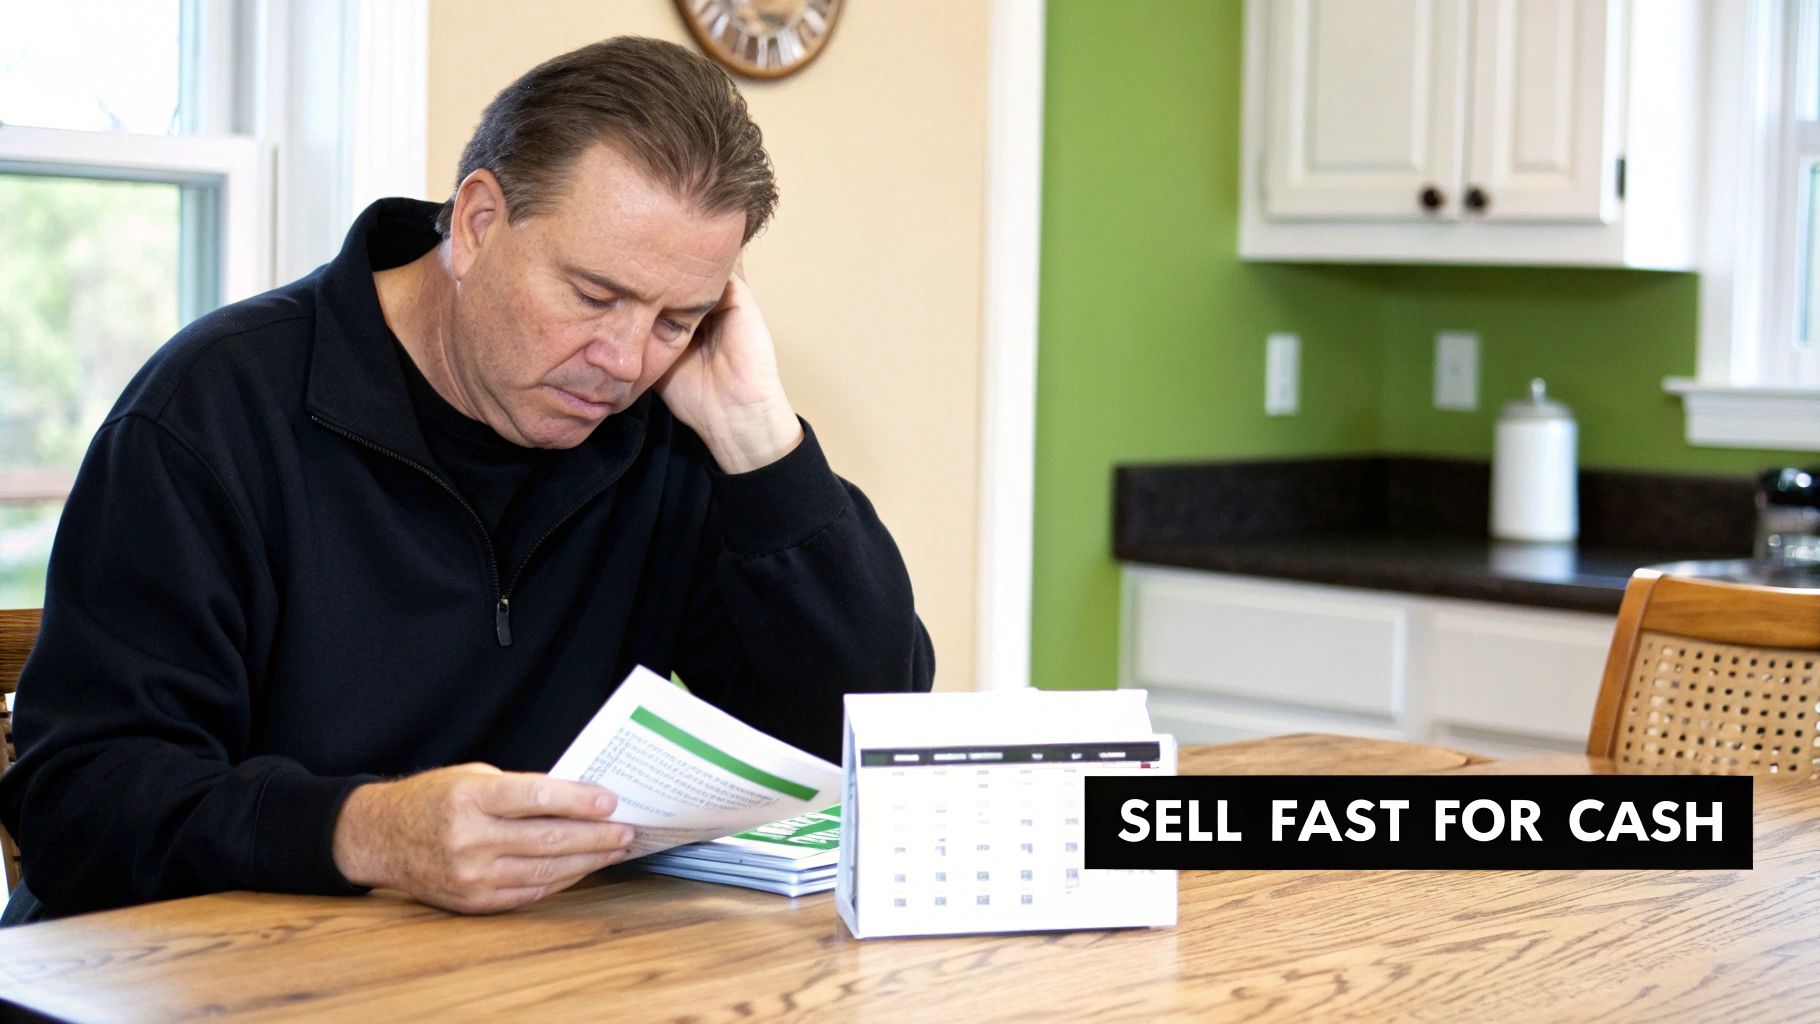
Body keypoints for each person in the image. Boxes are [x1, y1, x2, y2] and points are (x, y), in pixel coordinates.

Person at [0, 37, 934, 922]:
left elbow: (861, 729)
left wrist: (759, 439)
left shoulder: (666, 427)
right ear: (479, 223)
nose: (622, 360)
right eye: (594, 296)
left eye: (677, 319)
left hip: (511, 977)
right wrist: (364, 832)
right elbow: (76, 806)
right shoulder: (212, 409)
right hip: (198, 982)